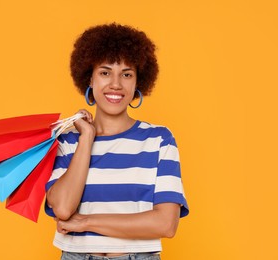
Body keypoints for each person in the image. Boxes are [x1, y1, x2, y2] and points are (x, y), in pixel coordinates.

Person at [45, 23, 189, 260]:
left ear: (137, 83)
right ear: (89, 79)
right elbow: (62, 208)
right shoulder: (68, 141)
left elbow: (166, 224)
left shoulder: (159, 140)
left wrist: (86, 222)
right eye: (105, 72)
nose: (116, 84)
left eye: (126, 74)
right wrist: (87, 138)